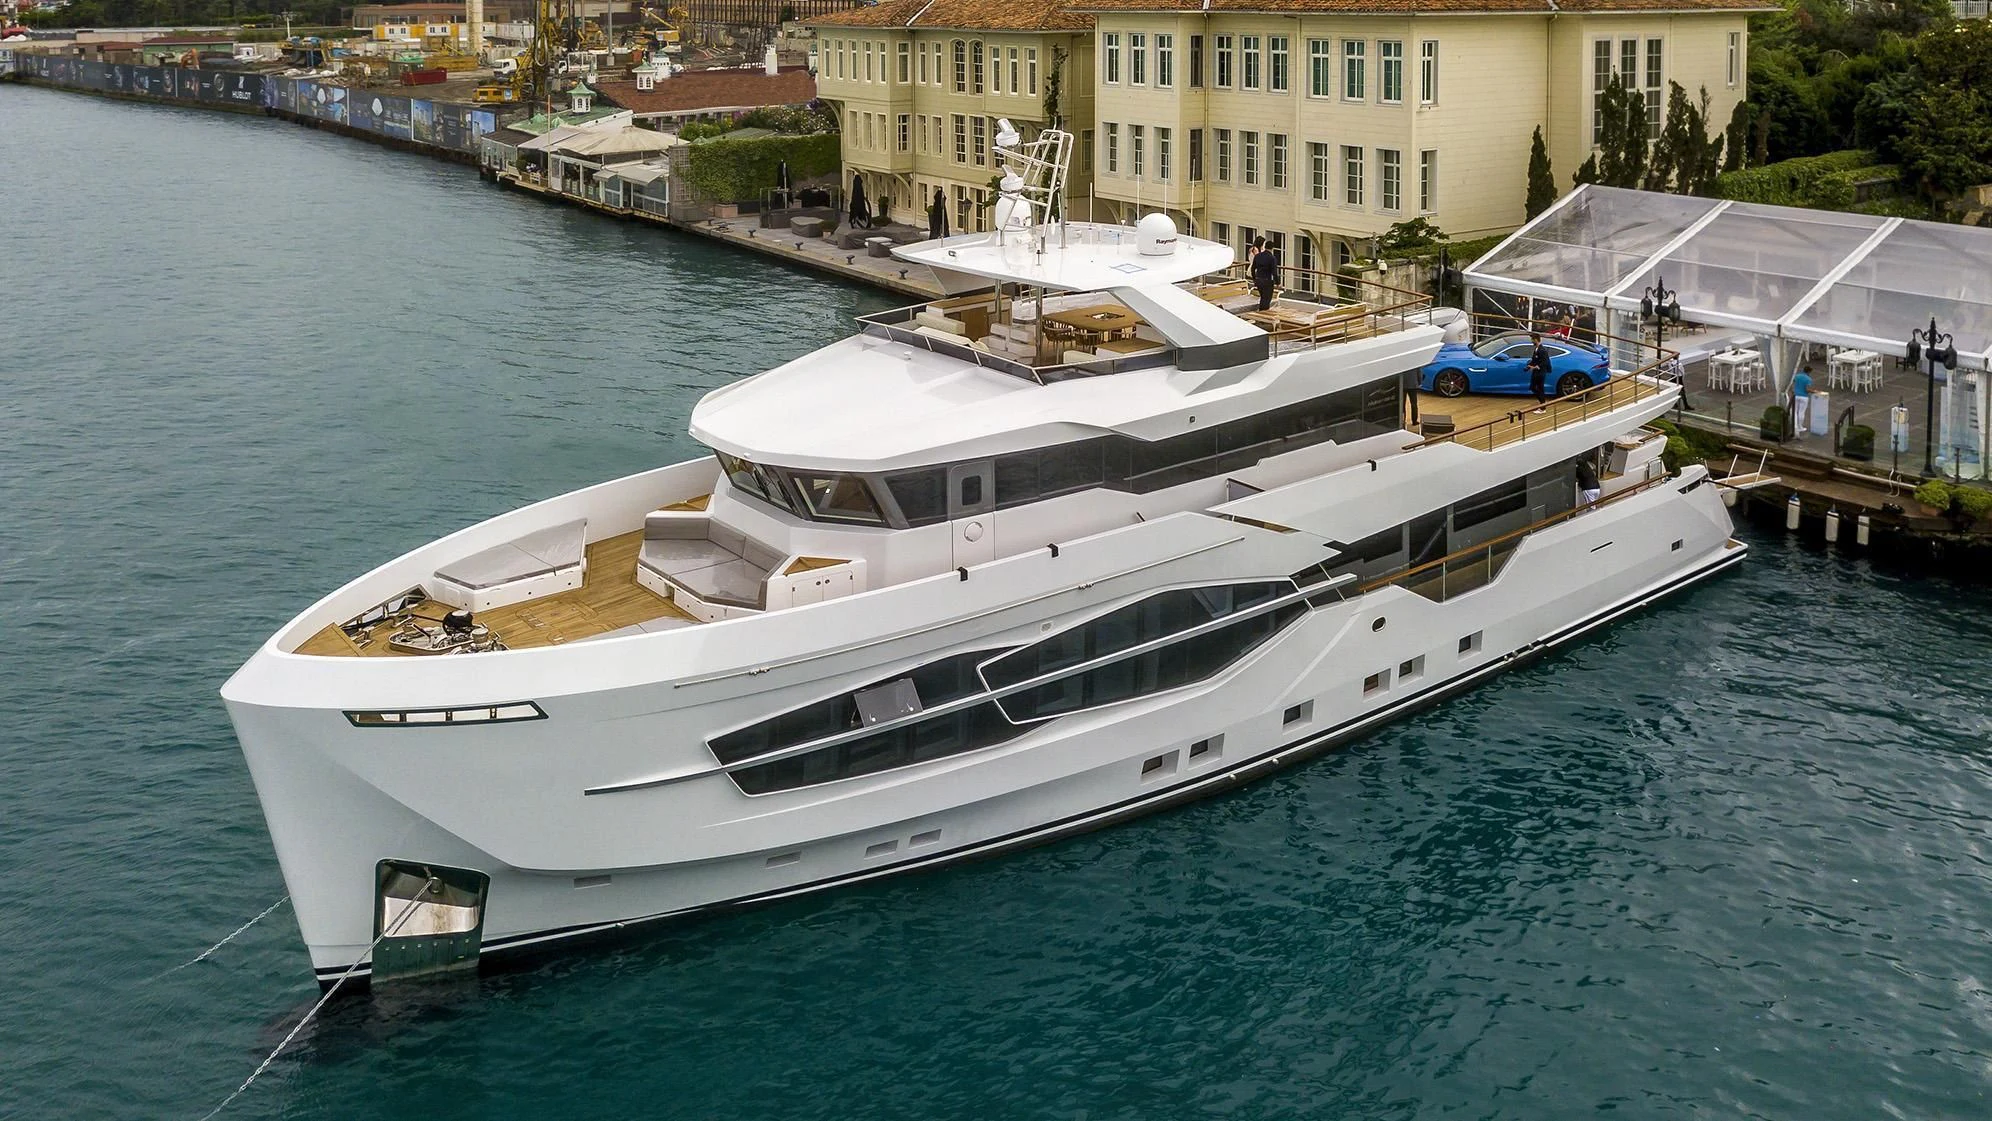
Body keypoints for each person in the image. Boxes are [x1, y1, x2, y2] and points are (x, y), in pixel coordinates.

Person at [1526, 331, 1552, 414]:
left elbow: (1545, 362)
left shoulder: (1542, 350)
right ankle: (1542, 403)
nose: (1531, 341)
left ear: (1536, 340)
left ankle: (1543, 406)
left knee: (1539, 388)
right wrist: (1529, 366)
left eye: (1532, 340)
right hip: (1537, 372)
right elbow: (1535, 360)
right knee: (1534, 388)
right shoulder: (1537, 349)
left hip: (1540, 373)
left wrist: (1535, 367)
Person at [1249, 236, 1277, 311]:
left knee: (1263, 298)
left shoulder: (1258, 256)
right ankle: (1263, 314)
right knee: (1266, 299)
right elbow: (1274, 271)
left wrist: (1255, 279)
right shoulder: (1272, 258)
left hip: (1259, 280)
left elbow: (1253, 268)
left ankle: (1262, 314)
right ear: (1272, 248)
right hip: (1267, 281)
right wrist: (1278, 282)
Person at [1791, 364, 1814, 437]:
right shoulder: (1808, 379)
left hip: (1796, 395)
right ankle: (1800, 426)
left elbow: (1792, 382)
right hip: (1804, 397)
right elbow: (1807, 389)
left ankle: (1794, 426)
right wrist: (1814, 391)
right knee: (1801, 412)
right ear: (1809, 372)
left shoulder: (1797, 376)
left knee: (1794, 411)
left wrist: (1792, 390)